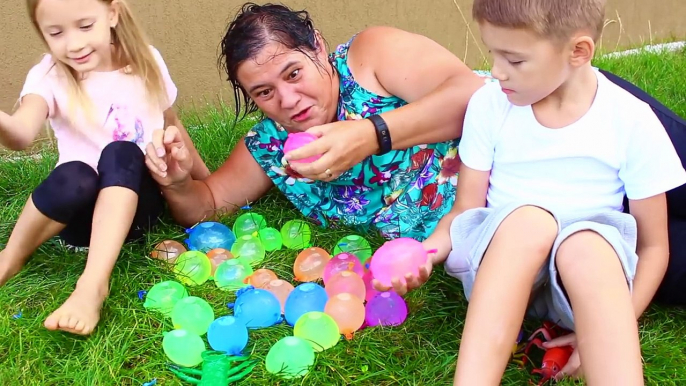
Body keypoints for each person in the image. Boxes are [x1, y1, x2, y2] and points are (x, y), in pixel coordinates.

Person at [376, 0, 686, 384]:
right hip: (501, 265)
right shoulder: (490, 105)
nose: (496, 71)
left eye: (515, 60)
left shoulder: (632, 119)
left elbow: (654, 246)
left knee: (588, 245)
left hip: (584, 285)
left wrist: (613, 327)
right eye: (493, 53)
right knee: (530, 222)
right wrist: (426, 252)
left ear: (578, 51)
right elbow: (464, 210)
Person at [144, 2, 486, 241]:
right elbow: (208, 205)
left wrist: (370, 134)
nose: (288, 100)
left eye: (294, 73)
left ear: (318, 46)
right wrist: (177, 184)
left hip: (504, 170)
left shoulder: (369, 58)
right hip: (460, 240)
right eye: (264, 93)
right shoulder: (272, 144)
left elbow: (476, 97)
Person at [0, 0, 208, 335]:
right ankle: (10, 256)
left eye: (85, 26)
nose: (74, 43)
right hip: (80, 221)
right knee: (75, 174)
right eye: (56, 32)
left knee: (121, 152)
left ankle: (92, 286)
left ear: (112, 14)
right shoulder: (48, 76)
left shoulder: (146, 61)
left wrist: (207, 181)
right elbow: (21, 134)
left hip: (139, 210)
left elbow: (172, 123)